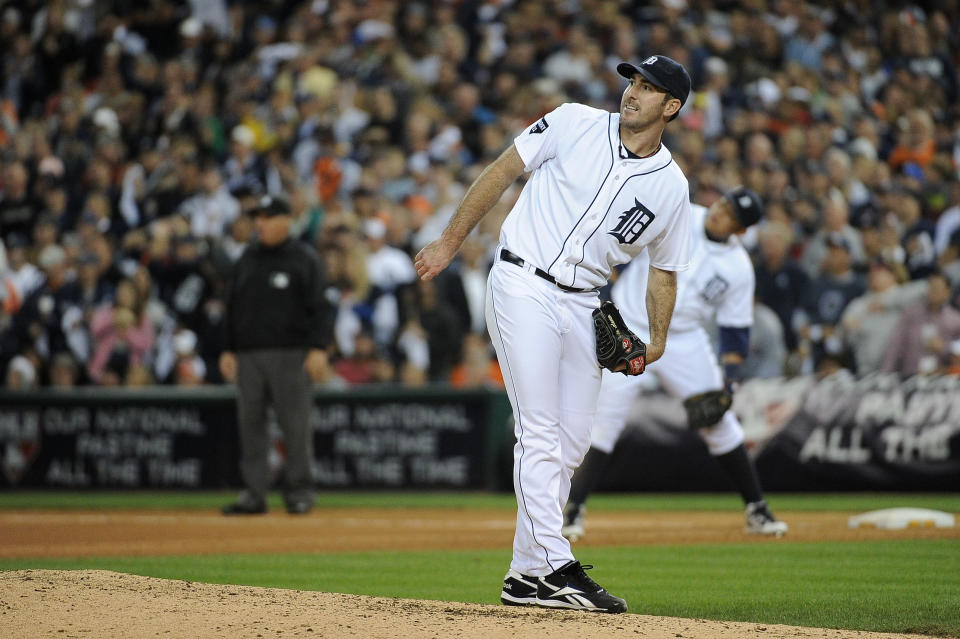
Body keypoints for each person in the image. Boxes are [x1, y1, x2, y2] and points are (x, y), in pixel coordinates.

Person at [416, 55, 693, 613]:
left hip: (585, 304)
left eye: (649, 87)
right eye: (633, 81)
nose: (633, 92)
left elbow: (665, 270)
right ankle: (557, 565)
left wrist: (657, 340)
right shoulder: (572, 122)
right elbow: (500, 171)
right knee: (539, 432)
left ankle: (523, 577)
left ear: (672, 107)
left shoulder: (671, 188)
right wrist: (449, 241)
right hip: (523, 283)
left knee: (572, 442)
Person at [560, 187, 788, 542]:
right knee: (603, 424)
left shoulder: (738, 267)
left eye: (731, 215)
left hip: (684, 340)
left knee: (720, 424)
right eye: (724, 203)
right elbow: (623, 243)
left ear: (741, 231)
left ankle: (756, 508)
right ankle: (574, 509)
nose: (720, 212)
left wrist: (730, 378)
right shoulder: (681, 214)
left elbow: (734, 329)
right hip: (630, 327)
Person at [220, 195, 334, 515]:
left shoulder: (303, 258)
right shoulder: (247, 258)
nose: (261, 223)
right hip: (249, 356)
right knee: (250, 426)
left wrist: (318, 348)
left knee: (295, 426)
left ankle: (299, 491)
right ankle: (254, 494)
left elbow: (322, 309)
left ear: (286, 220)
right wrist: (228, 347)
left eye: (268, 217)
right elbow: (232, 308)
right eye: (258, 217)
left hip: (291, 354)